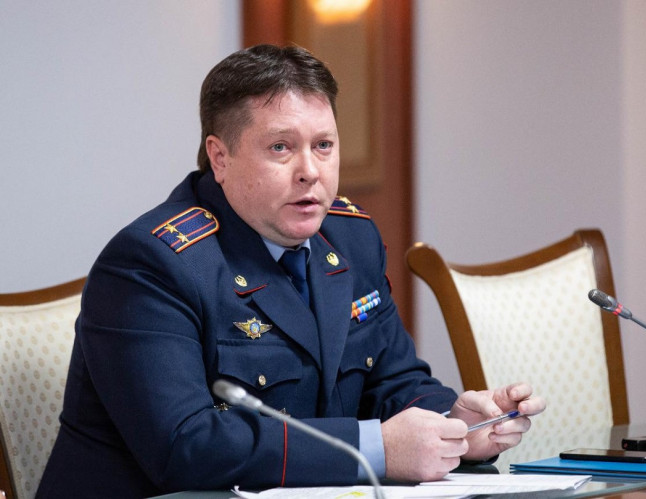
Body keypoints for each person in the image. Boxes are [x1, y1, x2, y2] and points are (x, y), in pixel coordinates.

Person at [37, 44, 545, 498]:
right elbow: (185, 446)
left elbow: (392, 378)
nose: (310, 171)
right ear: (220, 157)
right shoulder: (152, 264)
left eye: (323, 145)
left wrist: (456, 424)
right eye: (281, 147)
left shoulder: (349, 238)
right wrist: (377, 448)